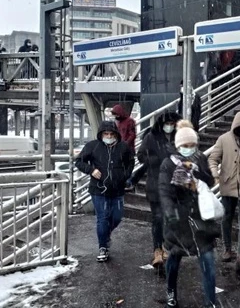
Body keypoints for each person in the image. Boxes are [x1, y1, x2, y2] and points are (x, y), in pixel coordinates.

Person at [158, 127, 218, 308]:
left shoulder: (200, 159)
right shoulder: (168, 164)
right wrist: (170, 213)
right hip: (178, 221)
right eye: (185, 145)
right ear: (178, 145)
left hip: (200, 219)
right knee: (174, 260)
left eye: (192, 145)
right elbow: (165, 191)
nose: (189, 148)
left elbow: (209, 181)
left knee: (208, 261)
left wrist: (198, 174)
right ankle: (171, 291)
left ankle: (210, 302)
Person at [74, 121, 134, 262]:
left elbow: (130, 162)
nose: (108, 136)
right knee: (102, 218)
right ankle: (103, 247)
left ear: (116, 135)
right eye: (105, 134)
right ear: (101, 134)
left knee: (117, 217)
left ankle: (105, 235)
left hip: (117, 189)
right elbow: (79, 161)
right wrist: (91, 170)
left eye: (111, 134)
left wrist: (124, 176)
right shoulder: (93, 146)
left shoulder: (123, 147)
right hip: (98, 189)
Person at [129, 111, 180, 268]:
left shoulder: (179, 137)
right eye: (167, 124)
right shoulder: (152, 137)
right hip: (155, 184)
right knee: (157, 218)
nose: (169, 127)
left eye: (172, 124)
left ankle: (165, 247)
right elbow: (141, 154)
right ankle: (157, 250)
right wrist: (154, 160)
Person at [208, 111, 240, 268]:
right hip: (227, 185)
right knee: (226, 218)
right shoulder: (223, 139)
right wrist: (215, 174)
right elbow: (213, 158)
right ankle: (227, 249)